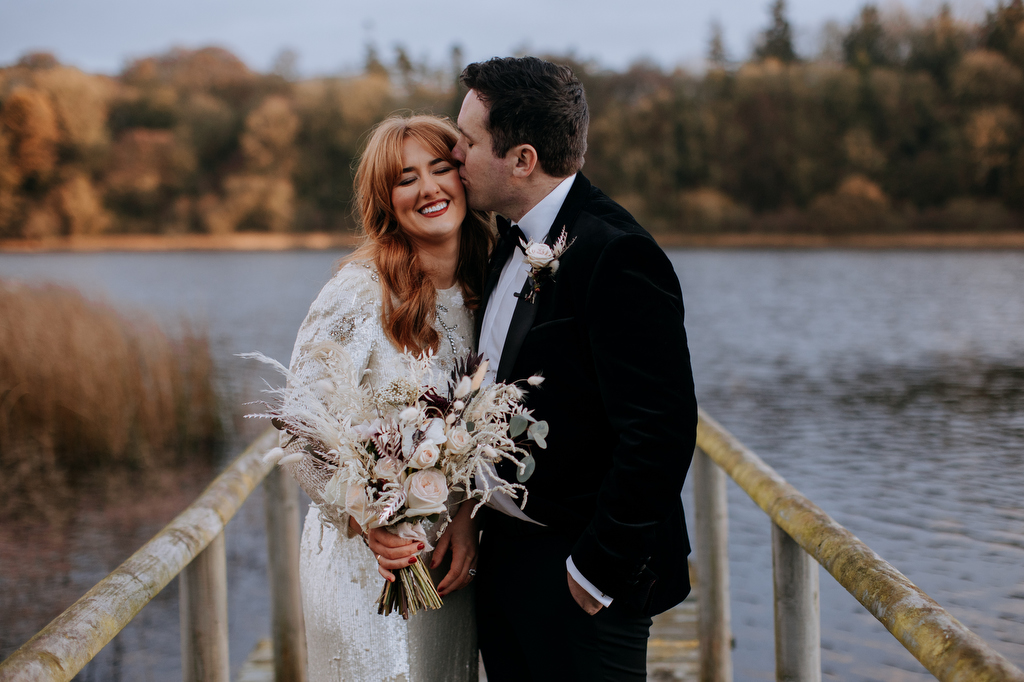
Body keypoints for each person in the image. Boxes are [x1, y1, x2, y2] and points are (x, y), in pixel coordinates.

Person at [452, 57, 698, 681]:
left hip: (579, 575)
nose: (455, 153)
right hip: (505, 559)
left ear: (523, 159)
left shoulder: (619, 255)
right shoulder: (506, 240)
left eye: (468, 141)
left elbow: (661, 432)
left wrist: (595, 569)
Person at [284, 114, 492, 681]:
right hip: (364, 563)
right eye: (406, 178)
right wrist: (366, 518)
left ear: (464, 175)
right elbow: (299, 425)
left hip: (451, 560)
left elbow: (483, 430)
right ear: (386, 199)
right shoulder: (360, 290)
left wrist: (469, 518)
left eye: (440, 168)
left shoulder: (490, 288)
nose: (428, 188)